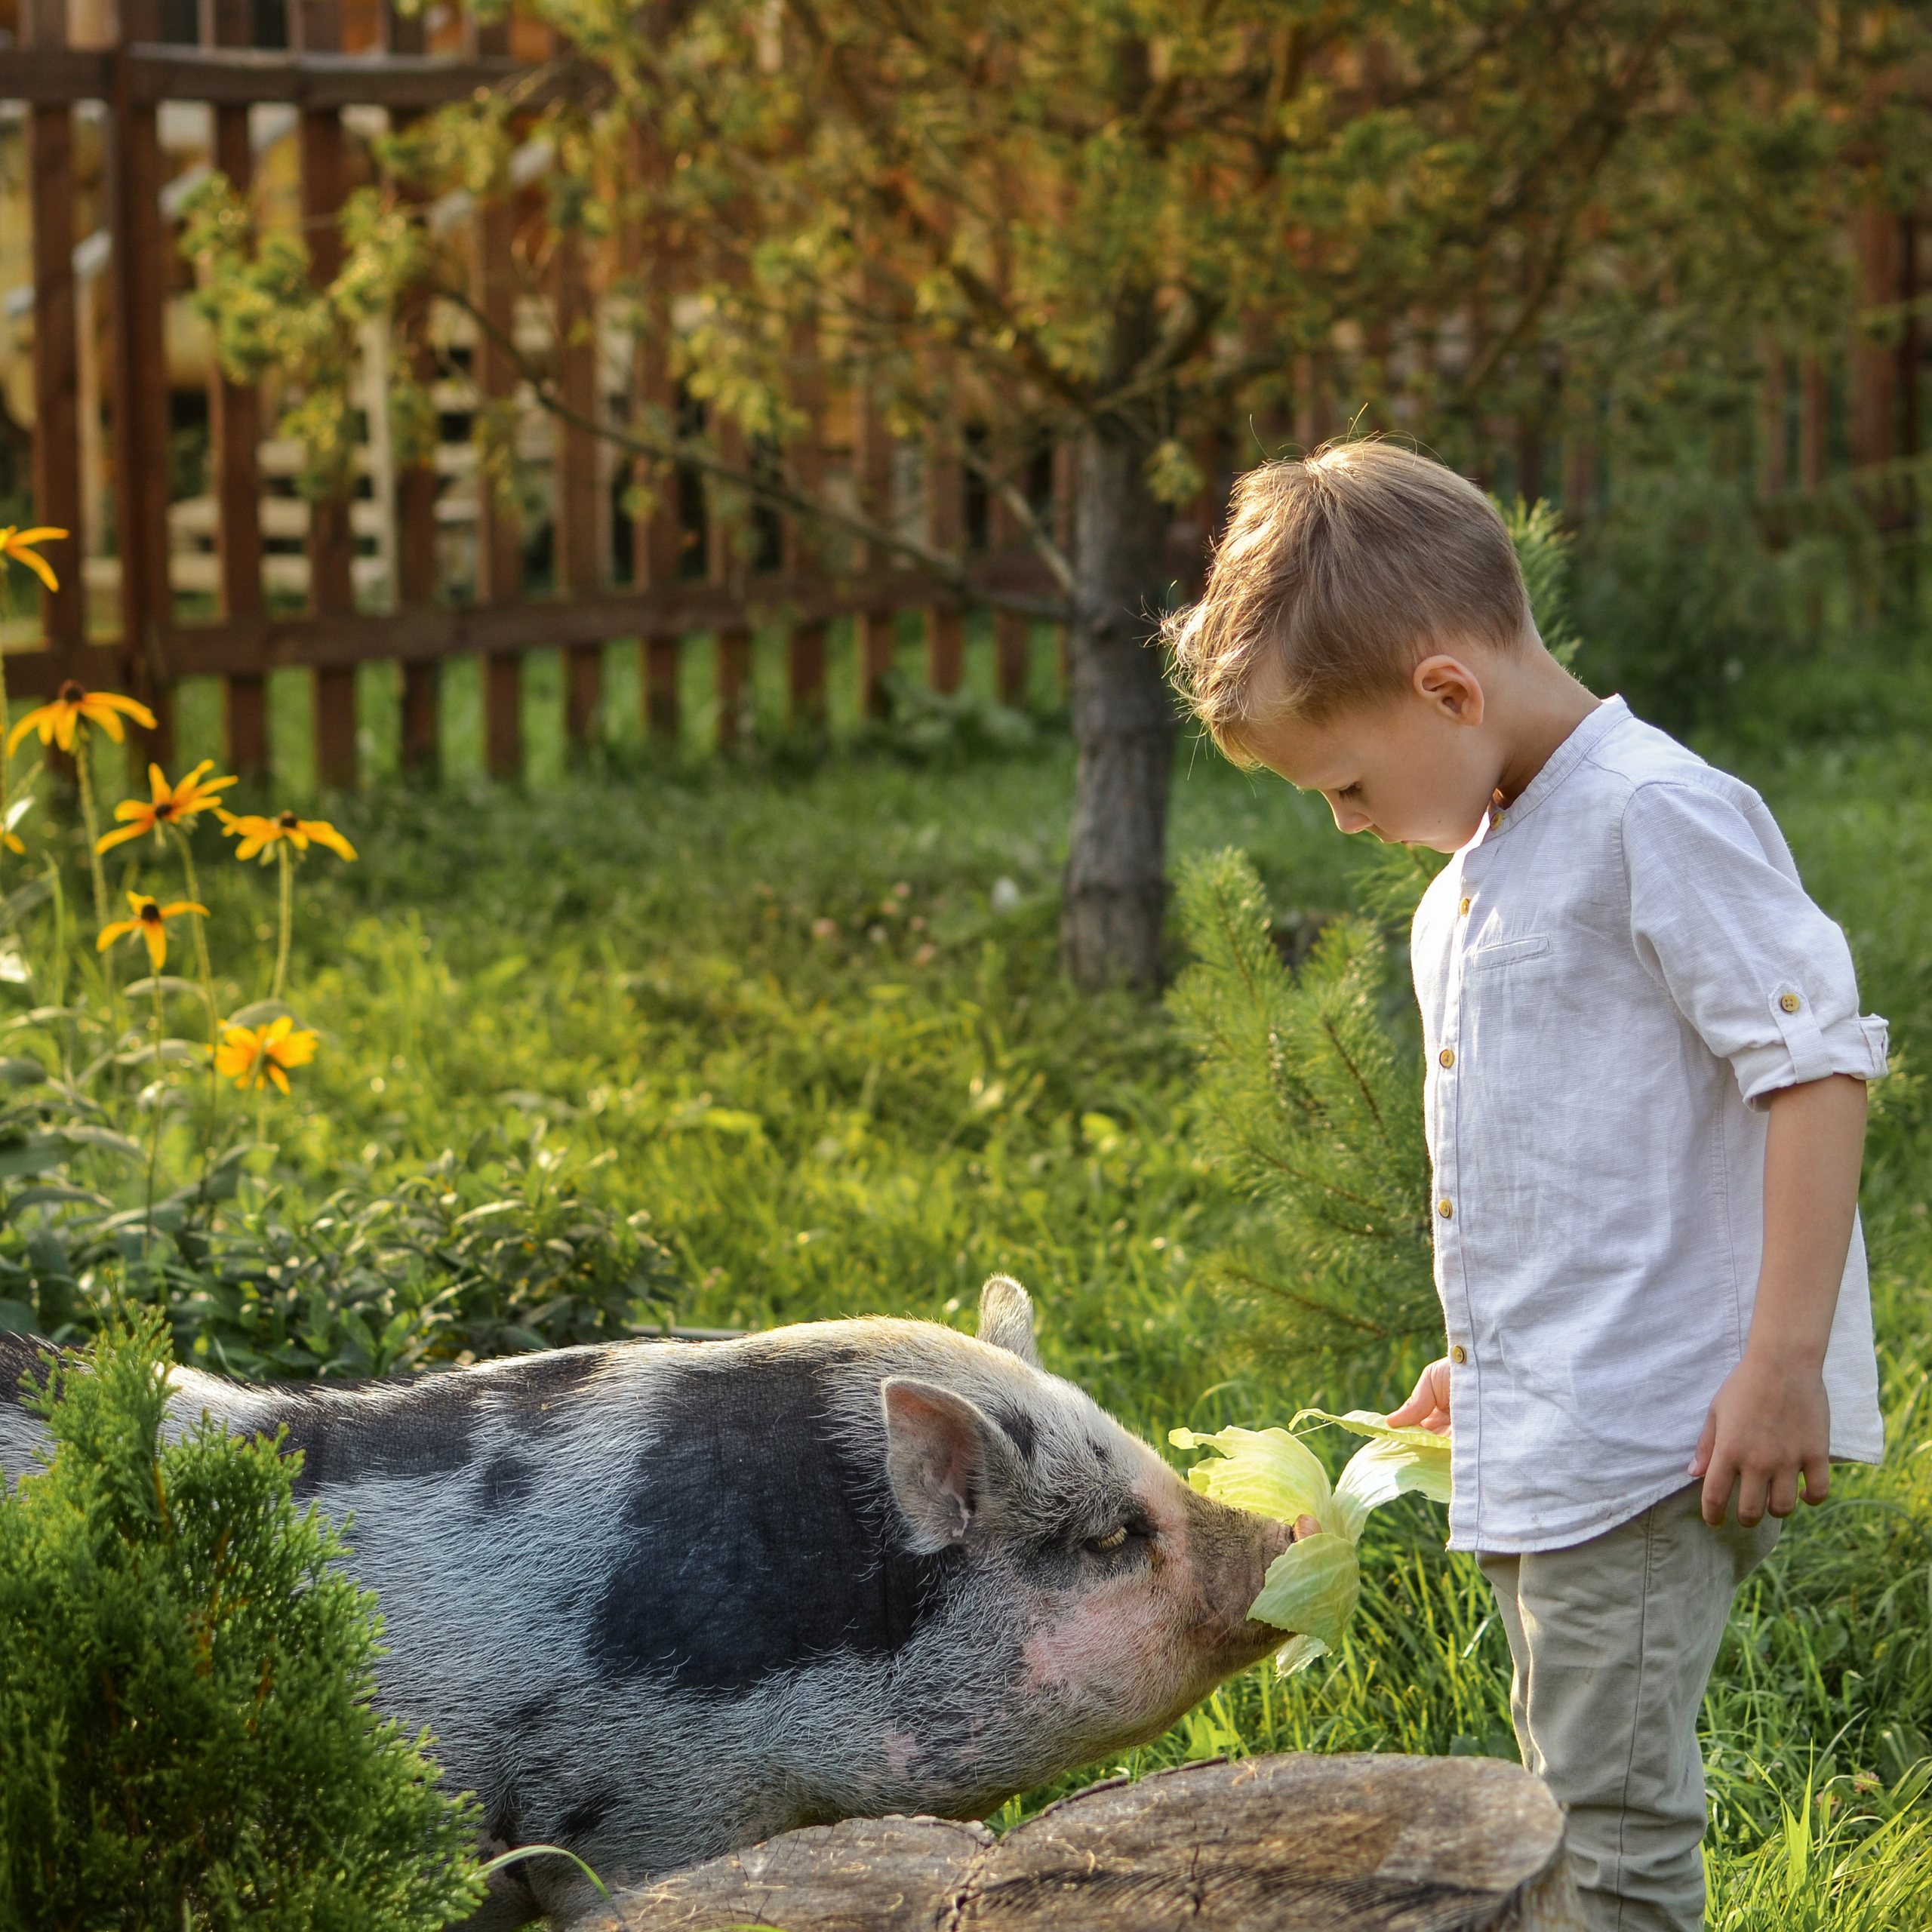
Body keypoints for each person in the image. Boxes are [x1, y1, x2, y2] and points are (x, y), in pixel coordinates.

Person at [1164, 440, 1889, 1932]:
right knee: (1567, 1784)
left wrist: (1780, 1363)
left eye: (1345, 782)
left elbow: (1814, 1068)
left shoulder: (1649, 815)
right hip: (1558, 1419)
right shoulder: (1474, 881)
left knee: (1603, 1830)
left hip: (1659, 1427)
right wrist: (1481, 1355)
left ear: (1447, 692)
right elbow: (1571, 1163)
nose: (1343, 819)